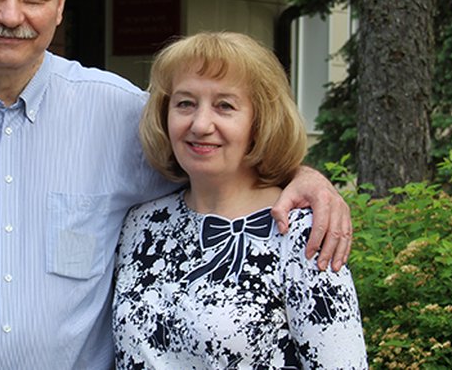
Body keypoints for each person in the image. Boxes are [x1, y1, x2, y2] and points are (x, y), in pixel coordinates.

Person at [0, 0, 352, 369]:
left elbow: (218, 159)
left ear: (61, 2)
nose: (12, 15)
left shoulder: (122, 114)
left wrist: (305, 179)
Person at [113, 32, 367, 368]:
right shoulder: (141, 224)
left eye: (225, 106)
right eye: (185, 103)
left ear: (260, 121)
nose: (201, 124)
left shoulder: (301, 232)